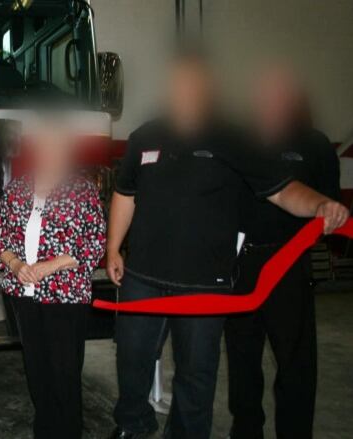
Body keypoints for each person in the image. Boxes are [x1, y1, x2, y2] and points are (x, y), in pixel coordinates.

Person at [105, 55, 349, 439]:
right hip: (143, 277)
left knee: (197, 374)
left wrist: (319, 204)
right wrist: (113, 248)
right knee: (131, 362)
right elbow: (125, 193)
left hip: (205, 282)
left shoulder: (232, 139)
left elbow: (282, 191)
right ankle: (132, 426)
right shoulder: (144, 136)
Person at [224, 67, 340, 439]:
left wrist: (330, 213)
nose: (270, 99)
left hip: (289, 266)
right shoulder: (241, 143)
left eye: (279, 92)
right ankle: (246, 432)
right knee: (242, 361)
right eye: (264, 91)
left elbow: (331, 204)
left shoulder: (316, 145)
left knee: (296, 363)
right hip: (242, 266)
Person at [0, 120, 106, 438]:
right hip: (23, 296)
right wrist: (14, 264)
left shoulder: (82, 191)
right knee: (37, 372)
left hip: (65, 297)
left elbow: (95, 243)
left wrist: (50, 266)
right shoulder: (18, 187)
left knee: (65, 377)